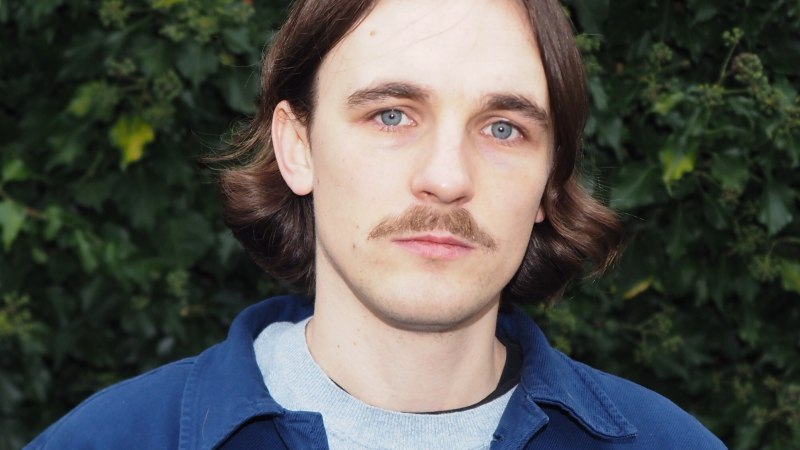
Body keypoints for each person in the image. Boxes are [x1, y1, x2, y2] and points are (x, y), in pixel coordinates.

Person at [27, 0, 726, 448]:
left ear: (549, 180)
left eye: (503, 128)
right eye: (391, 115)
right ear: (297, 147)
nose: (447, 177)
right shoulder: (111, 439)